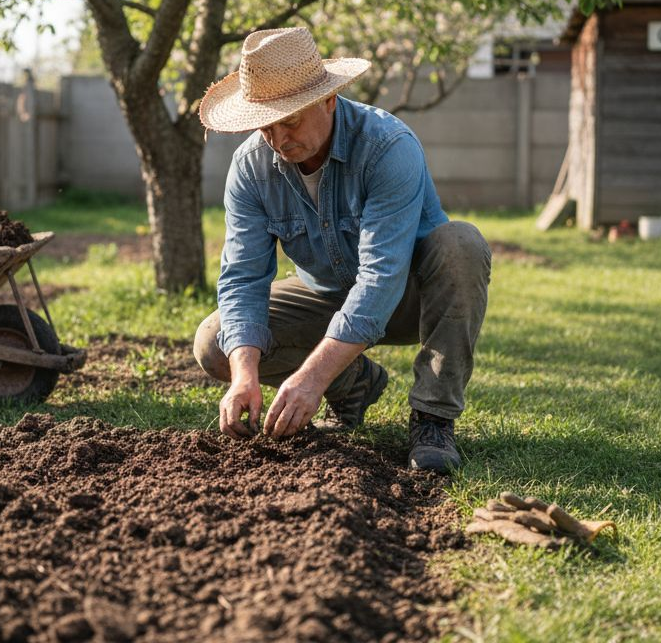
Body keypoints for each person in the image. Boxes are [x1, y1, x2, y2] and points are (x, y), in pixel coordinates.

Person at [192, 27, 492, 473]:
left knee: (461, 243)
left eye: (289, 120)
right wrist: (244, 376)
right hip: (326, 295)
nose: (277, 137)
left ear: (328, 99)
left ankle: (433, 419)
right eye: (265, 124)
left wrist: (312, 378)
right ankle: (354, 384)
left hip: (410, 297)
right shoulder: (251, 168)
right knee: (215, 342)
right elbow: (242, 279)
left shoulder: (387, 146)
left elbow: (381, 276)